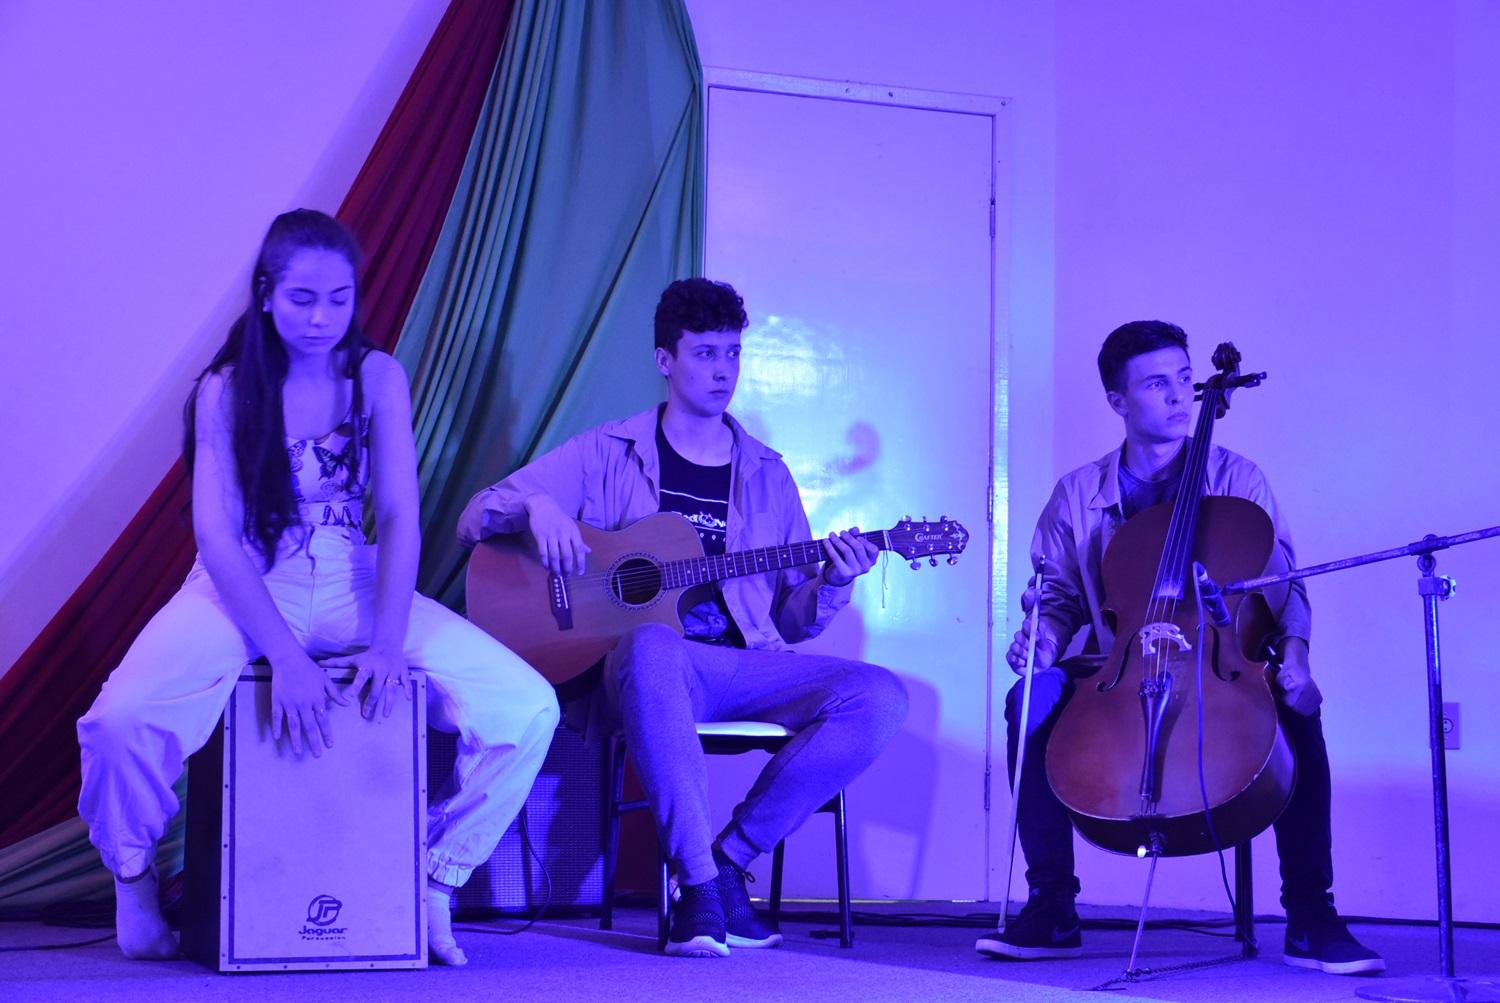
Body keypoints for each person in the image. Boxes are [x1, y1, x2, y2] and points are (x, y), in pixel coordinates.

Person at [76, 210, 559, 965]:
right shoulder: (225, 390)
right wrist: (287, 658)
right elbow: (218, 539)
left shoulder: (378, 376)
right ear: (267, 293)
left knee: (527, 706)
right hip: (245, 576)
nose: (321, 317)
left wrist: (389, 643)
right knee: (120, 720)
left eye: (339, 299)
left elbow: (398, 516)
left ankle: (435, 881)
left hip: (349, 572)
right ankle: (134, 886)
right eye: (303, 298)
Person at [458, 277, 908, 958]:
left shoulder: (768, 473)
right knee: (652, 642)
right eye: (704, 353)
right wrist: (534, 506)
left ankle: (726, 863)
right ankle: (696, 885)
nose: (723, 370)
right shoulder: (608, 449)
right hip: (642, 671)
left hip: (741, 665)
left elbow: (792, 621)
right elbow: (473, 518)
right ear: (665, 360)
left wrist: (833, 582)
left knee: (879, 695)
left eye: (732, 353)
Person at [975, 320, 1384, 976]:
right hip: (1115, 663)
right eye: (1156, 383)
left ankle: (1311, 913)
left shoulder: (1237, 477)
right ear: (1118, 400)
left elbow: (1281, 583)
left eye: (1185, 379)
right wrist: (1042, 639)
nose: (1177, 395)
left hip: (1221, 658)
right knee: (1029, 698)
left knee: (1297, 703)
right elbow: (1057, 595)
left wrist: (1297, 651)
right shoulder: (1077, 494)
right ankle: (1052, 904)